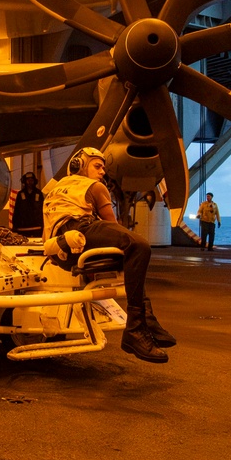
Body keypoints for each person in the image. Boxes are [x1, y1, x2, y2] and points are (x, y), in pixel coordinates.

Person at [42, 147, 175, 363]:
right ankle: (135, 329)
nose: (103, 171)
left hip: (61, 250)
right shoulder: (94, 186)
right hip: (81, 232)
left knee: (131, 257)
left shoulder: (54, 189)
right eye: (98, 166)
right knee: (139, 246)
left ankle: (147, 319)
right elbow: (112, 224)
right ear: (80, 166)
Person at [11, 171, 45, 237]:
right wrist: (15, 225)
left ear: (34, 181)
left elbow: (43, 209)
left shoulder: (38, 193)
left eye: (31, 180)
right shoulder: (20, 194)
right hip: (22, 228)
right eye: (28, 180)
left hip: (37, 228)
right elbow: (17, 210)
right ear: (25, 181)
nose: (30, 182)